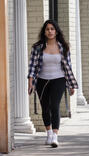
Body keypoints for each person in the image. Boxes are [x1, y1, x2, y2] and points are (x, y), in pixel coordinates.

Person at [28, 20, 78, 148]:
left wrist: (71, 84)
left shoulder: (63, 47)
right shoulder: (37, 47)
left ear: (56, 31)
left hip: (59, 79)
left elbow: (68, 67)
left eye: (52, 29)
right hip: (42, 81)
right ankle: (49, 133)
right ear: (44, 32)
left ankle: (55, 136)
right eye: (47, 29)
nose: (50, 31)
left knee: (55, 106)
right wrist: (31, 82)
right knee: (45, 107)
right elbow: (32, 66)